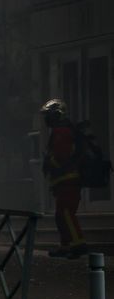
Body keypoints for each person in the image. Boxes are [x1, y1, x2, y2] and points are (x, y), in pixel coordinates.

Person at [41, 99, 88, 258]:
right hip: (63, 181)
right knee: (60, 215)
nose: (46, 119)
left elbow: (61, 156)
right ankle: (65, 246)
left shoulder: (62, 131)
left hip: (68, 180)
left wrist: (49, 162)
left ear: (56, 115)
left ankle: (78, 245)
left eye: (48, 115)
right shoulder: (61, 130)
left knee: (67, 214)